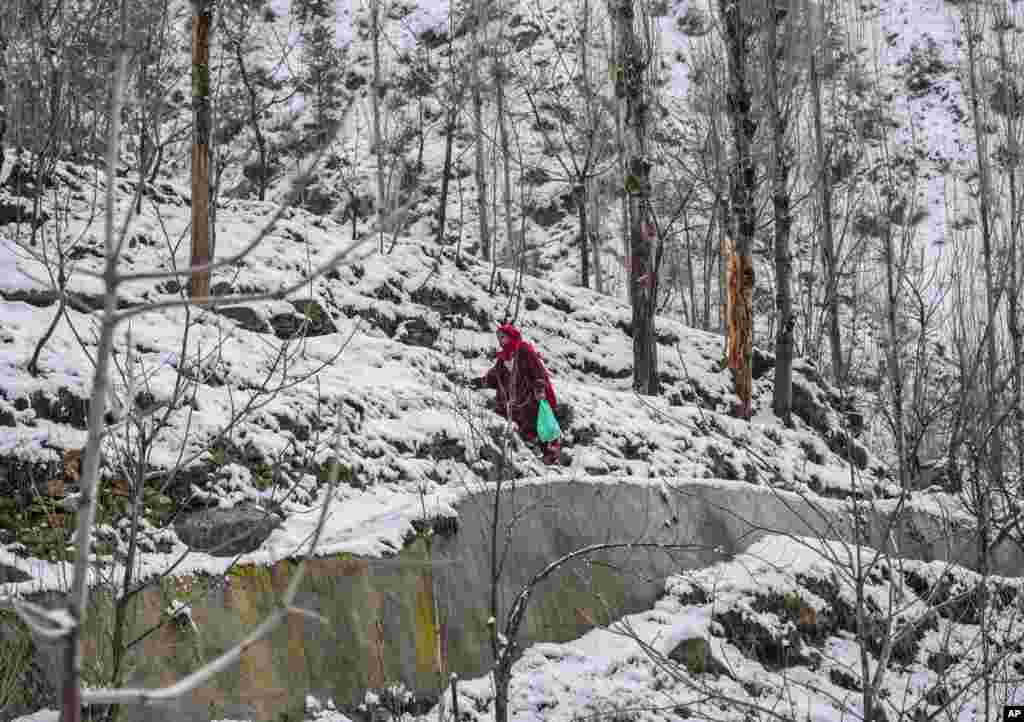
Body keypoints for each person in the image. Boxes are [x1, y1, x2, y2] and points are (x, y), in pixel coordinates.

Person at [472, 323, 561, 465]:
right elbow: (495, 376)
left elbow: (537, 370)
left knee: (539, 425)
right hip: (512, 402)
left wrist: (539, 390)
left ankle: (549, 457)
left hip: (529, 398)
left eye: (504, 337)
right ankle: (528, 459)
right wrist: (479, 382)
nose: (501, 341)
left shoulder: (524, 350)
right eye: (499, 338)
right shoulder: (503, 358)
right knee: (515, 429)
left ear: (511, 336)